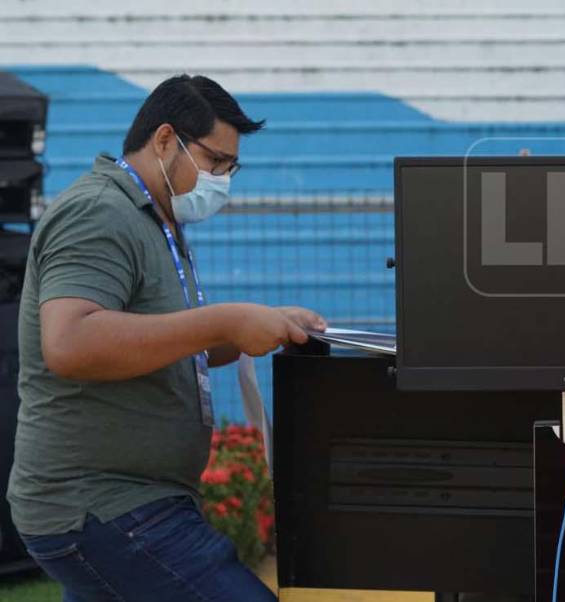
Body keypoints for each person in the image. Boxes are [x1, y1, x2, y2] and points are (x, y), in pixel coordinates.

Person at [8, 74, 327, 601]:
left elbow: (165, 345)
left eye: (231, 168)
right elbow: (71, 343)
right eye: (215, 162)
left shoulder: (155, 222)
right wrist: (223, 321)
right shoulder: (98, 213)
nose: (221, 180)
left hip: (128, 502)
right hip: (106, 505)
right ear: (164, 140)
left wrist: (258, 327)